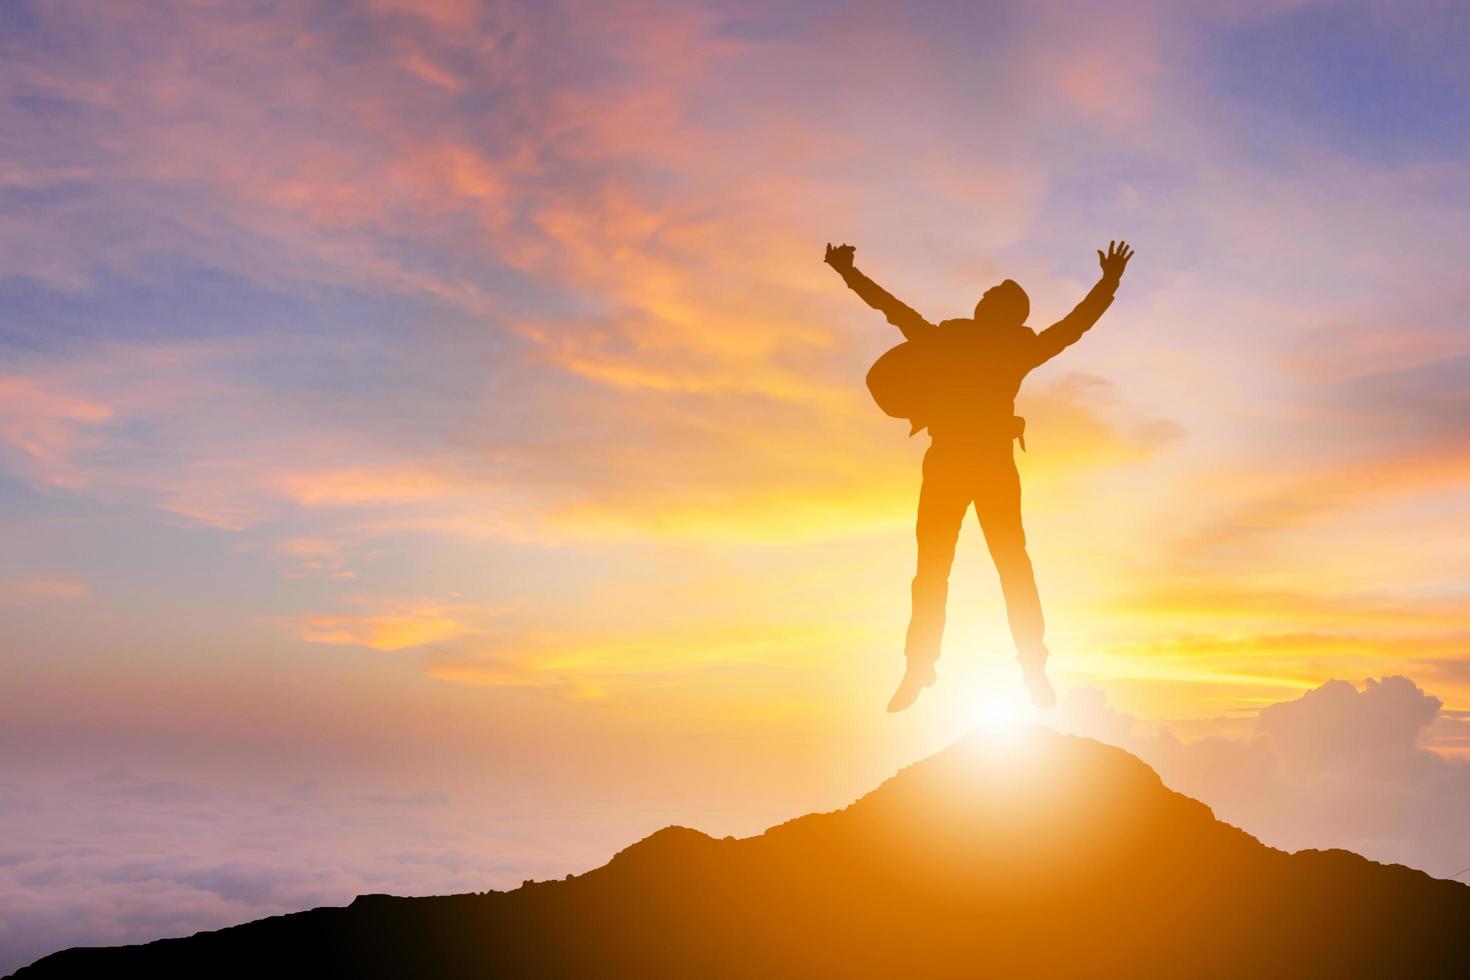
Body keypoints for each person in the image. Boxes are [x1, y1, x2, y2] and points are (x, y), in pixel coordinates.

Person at [826, 239, 1135, 711]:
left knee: (983, 569)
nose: (984, 299)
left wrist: (847, 272)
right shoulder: (979, 343)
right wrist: (1108, 282)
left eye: (992, 298)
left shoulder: (984, 344)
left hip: (972, 465)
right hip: (963, 464)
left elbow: (894, 310)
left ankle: (1022, 669)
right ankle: (928, 667)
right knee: (962, 570)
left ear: (1004, 314)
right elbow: (894, 310)